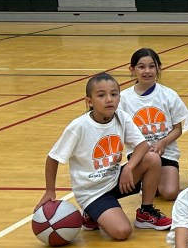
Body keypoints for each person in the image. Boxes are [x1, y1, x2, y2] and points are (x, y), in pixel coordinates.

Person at [38, 72, 171, 239]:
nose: (109, 99)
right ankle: (91, 212)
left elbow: (142, 145)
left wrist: (129, 167)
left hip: (116, 180)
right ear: (89, 102)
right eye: (101, 95)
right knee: (122, 232)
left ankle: (145, 211)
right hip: (93, 192)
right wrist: (50, 190)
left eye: (114, 94)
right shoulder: (79, 127)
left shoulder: (121, 117)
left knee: (152, 158)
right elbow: (53, 158)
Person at [120, 47, 188, 201]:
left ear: (159, 68)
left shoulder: (169, 95)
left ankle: (154, 182)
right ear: (132, 69)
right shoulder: (123, 98)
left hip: (166, 152)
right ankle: (150, 181)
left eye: (152, 66)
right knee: (154, 187)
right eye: (141, 67)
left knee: (170, 193)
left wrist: (162, 143)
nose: (147, 71)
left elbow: (178, 129)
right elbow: (121, 132)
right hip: (139, 155)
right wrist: (142, 147)